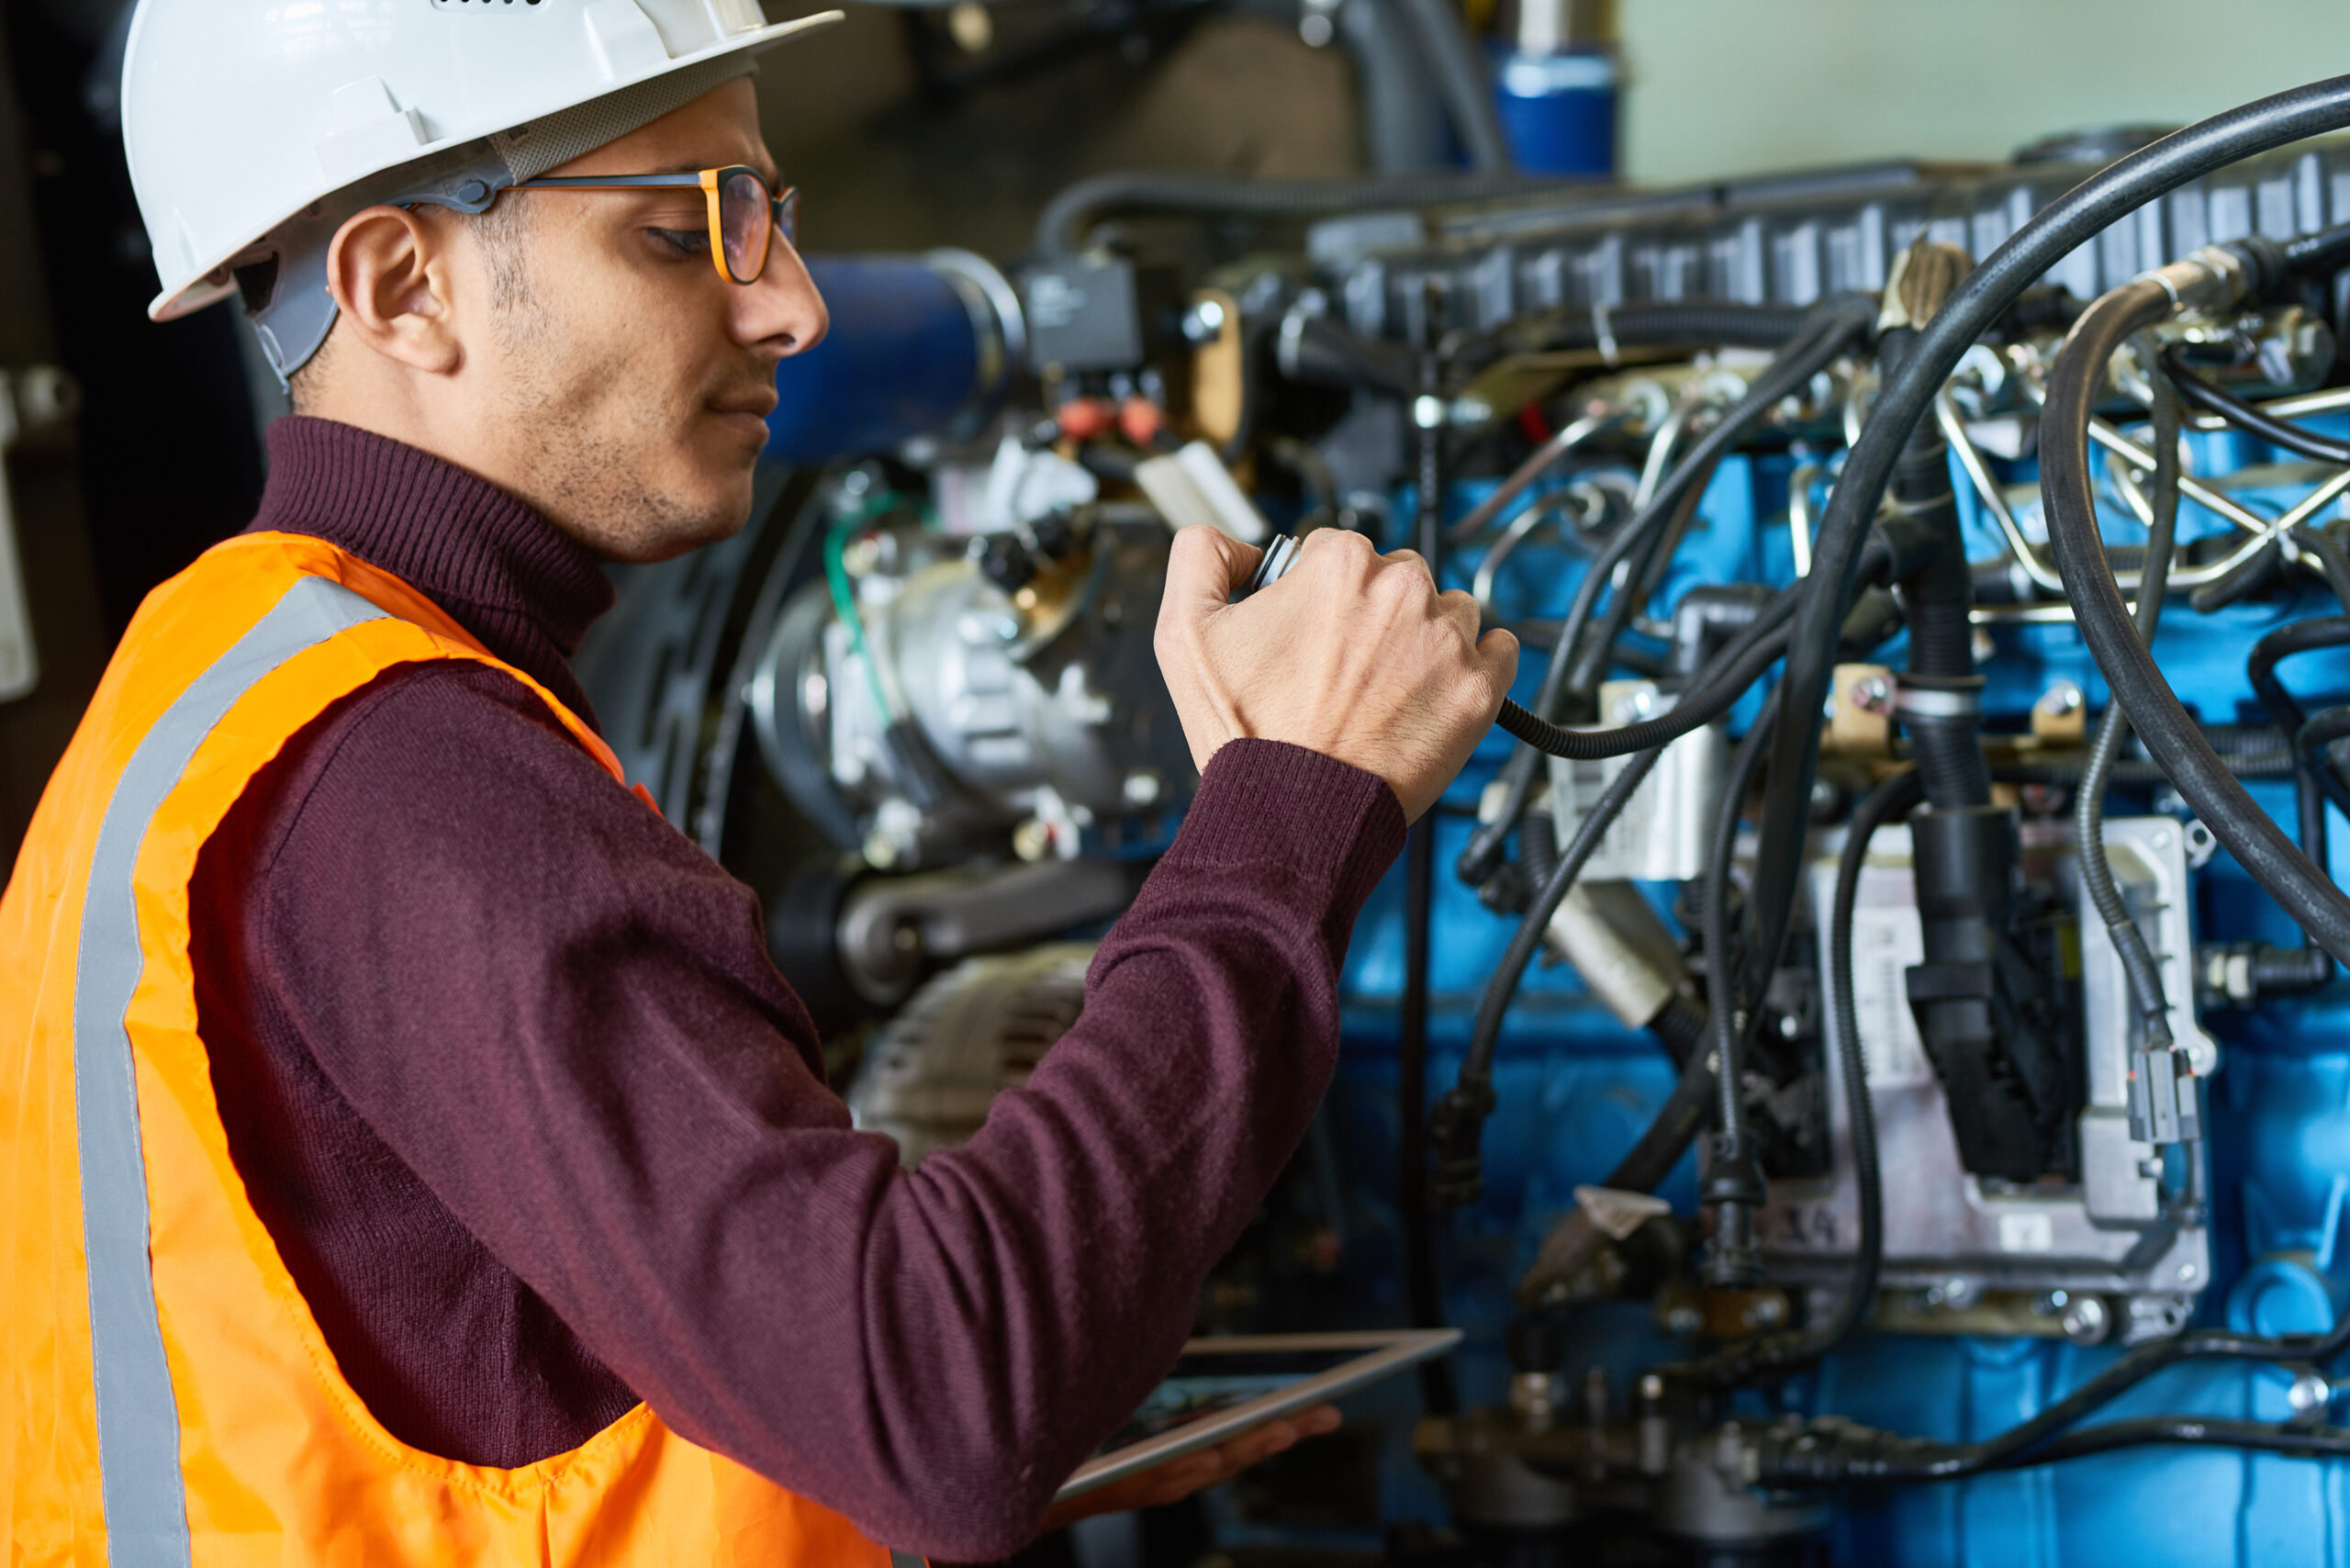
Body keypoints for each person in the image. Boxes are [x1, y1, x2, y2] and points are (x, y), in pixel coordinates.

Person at [0, 2, 1516, 1562]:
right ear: (401, 285)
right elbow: (944, 1401)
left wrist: (859, 1449)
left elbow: (503, 1396)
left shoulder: (225, 686)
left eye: (770, 218)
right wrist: (1288, 808)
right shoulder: (397, 775)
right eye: (687, 233)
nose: (791, 303)